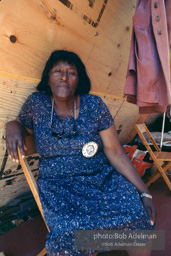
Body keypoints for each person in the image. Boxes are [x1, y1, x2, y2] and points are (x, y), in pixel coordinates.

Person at [5, 50, 156, 256]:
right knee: (69, 237)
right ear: (48, 78)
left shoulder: (94, 105)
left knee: (138, 217)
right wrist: (12, 125)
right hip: (59, 186)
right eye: (57, 71)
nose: (64, 77)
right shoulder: (36, 104)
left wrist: (144, 191)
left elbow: (116, 153)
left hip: (101, 179)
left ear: (80, 79)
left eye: (72, 73)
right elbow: (20, 125)